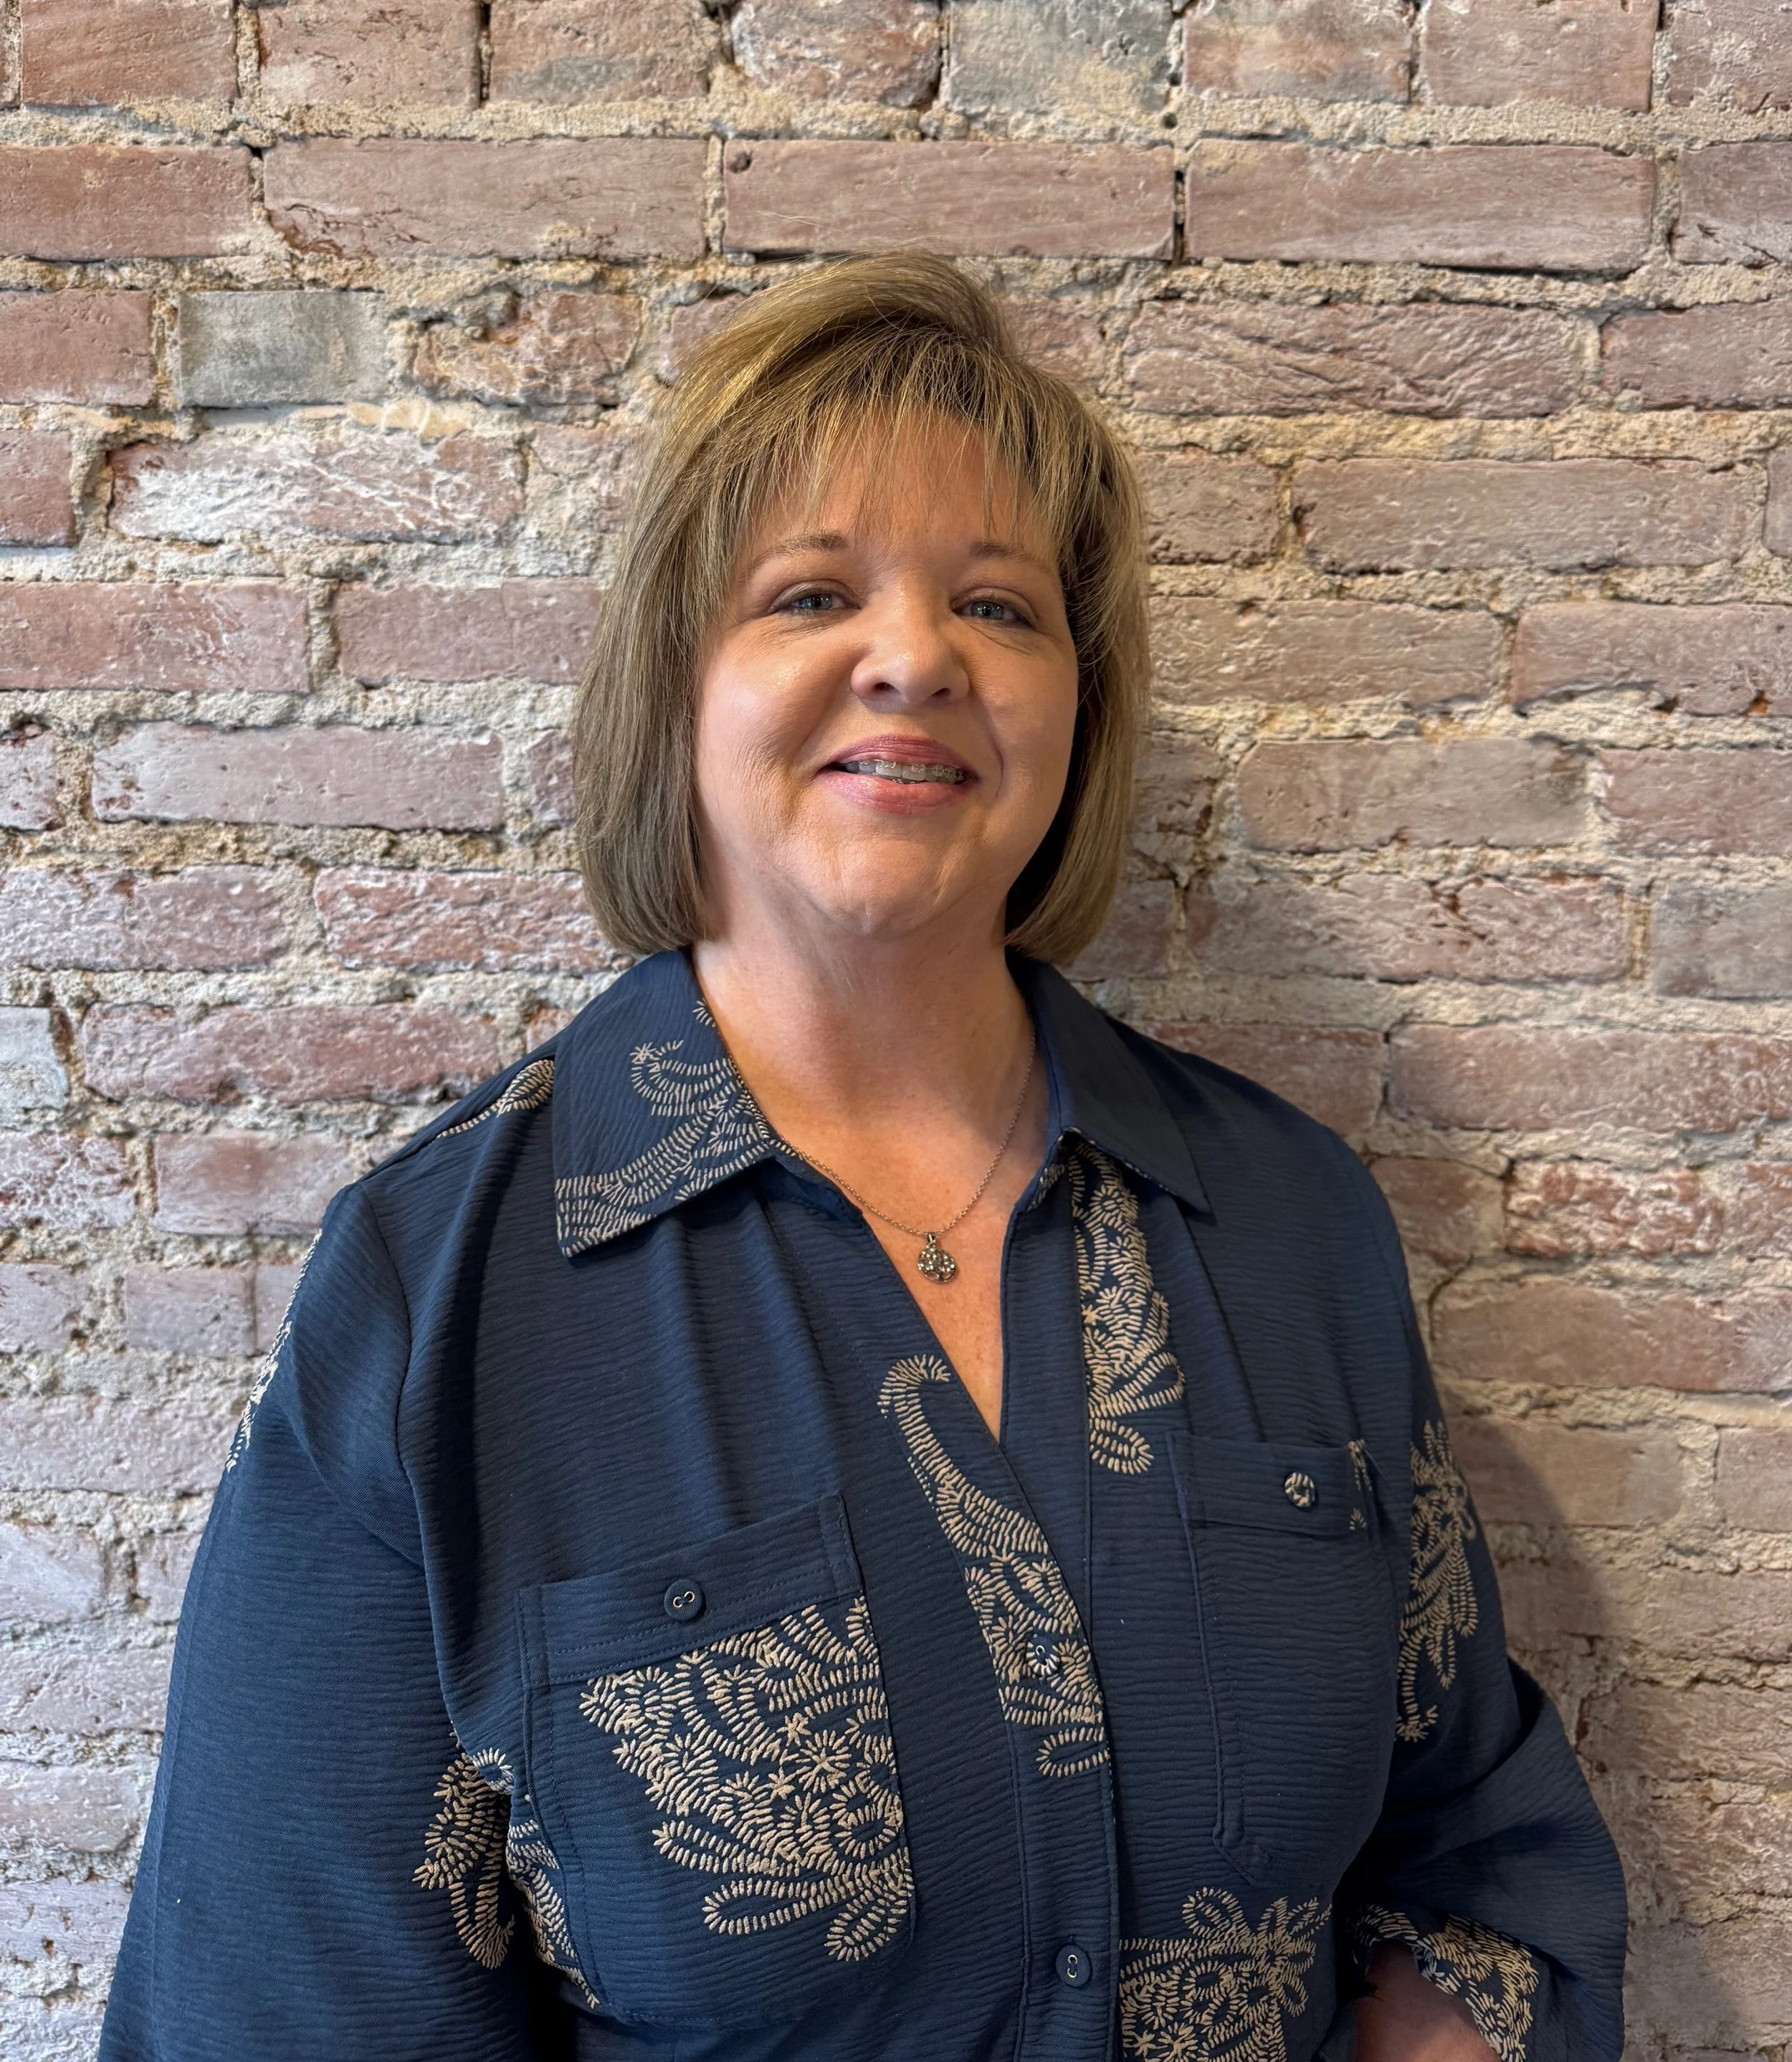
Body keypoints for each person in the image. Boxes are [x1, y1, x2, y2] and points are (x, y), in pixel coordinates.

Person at [100, 254, 1625, 2062]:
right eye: (809, 592)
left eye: (999, 603)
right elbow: (283, 2013)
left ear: (1074, 704)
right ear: (680, 686)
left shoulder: (1284, 1228)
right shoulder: (441, 1309)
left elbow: (1480, 1852)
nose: (913, 655)